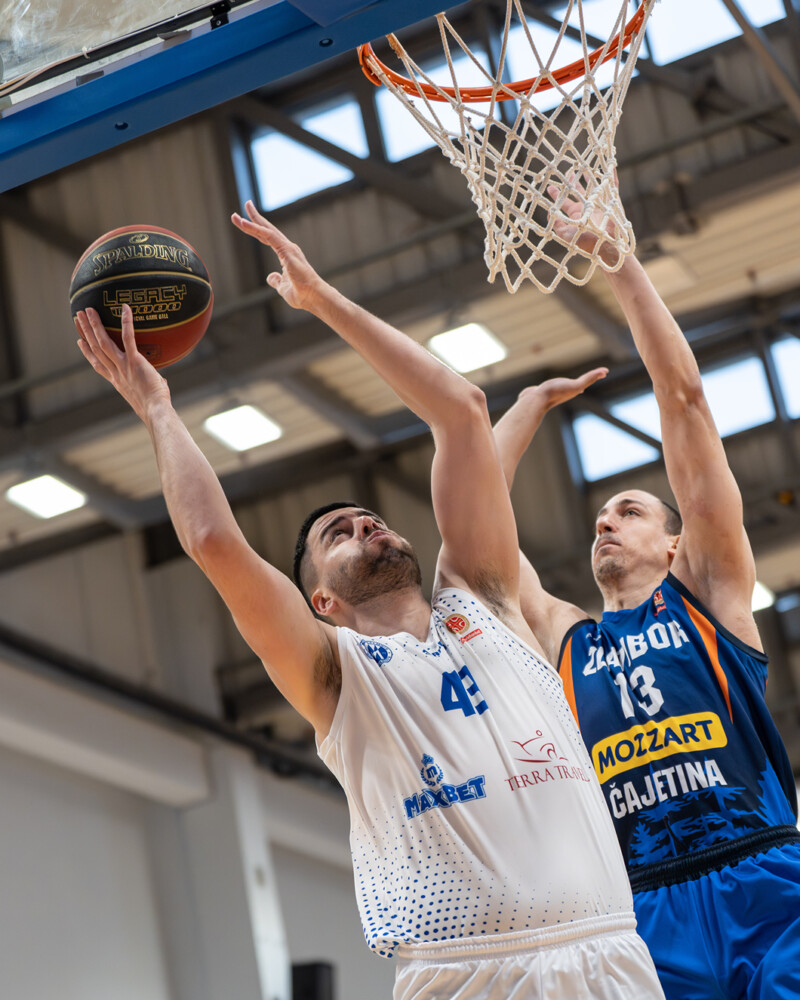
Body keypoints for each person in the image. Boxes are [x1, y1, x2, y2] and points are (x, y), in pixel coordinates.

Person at [75, 201, 664, 1000]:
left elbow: (461, 412)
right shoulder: (332, 672)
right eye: (338, 534)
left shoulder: (487, 598)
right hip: (465, 975)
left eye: (367, 518)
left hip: (610, 954)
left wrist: (321, 300)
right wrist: (156, 408)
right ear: (319, 599)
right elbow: (213, 541)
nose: (363, 523)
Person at [493, 184, 800, 1000]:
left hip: (764, 875)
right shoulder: (565, 637)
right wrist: (518, 414)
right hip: (641, 907)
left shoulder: (710, 594)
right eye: (599, 516)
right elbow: (475, 545)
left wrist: (617, 261)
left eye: (629, 510)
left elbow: (686, 404)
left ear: (674, 543)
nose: (605, 521)